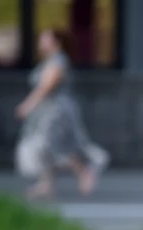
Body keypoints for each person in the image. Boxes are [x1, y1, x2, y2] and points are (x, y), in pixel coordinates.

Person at [15, 28, 108, 200]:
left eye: (44, 39)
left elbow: (46, 87)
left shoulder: (58, 61)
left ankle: (85, 169)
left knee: (51, 145)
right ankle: (51, 183)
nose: (40, 42)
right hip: (47, 110)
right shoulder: (49, 61)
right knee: (53, 147)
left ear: (55, 42)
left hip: (57, 111)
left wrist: (28, 105)